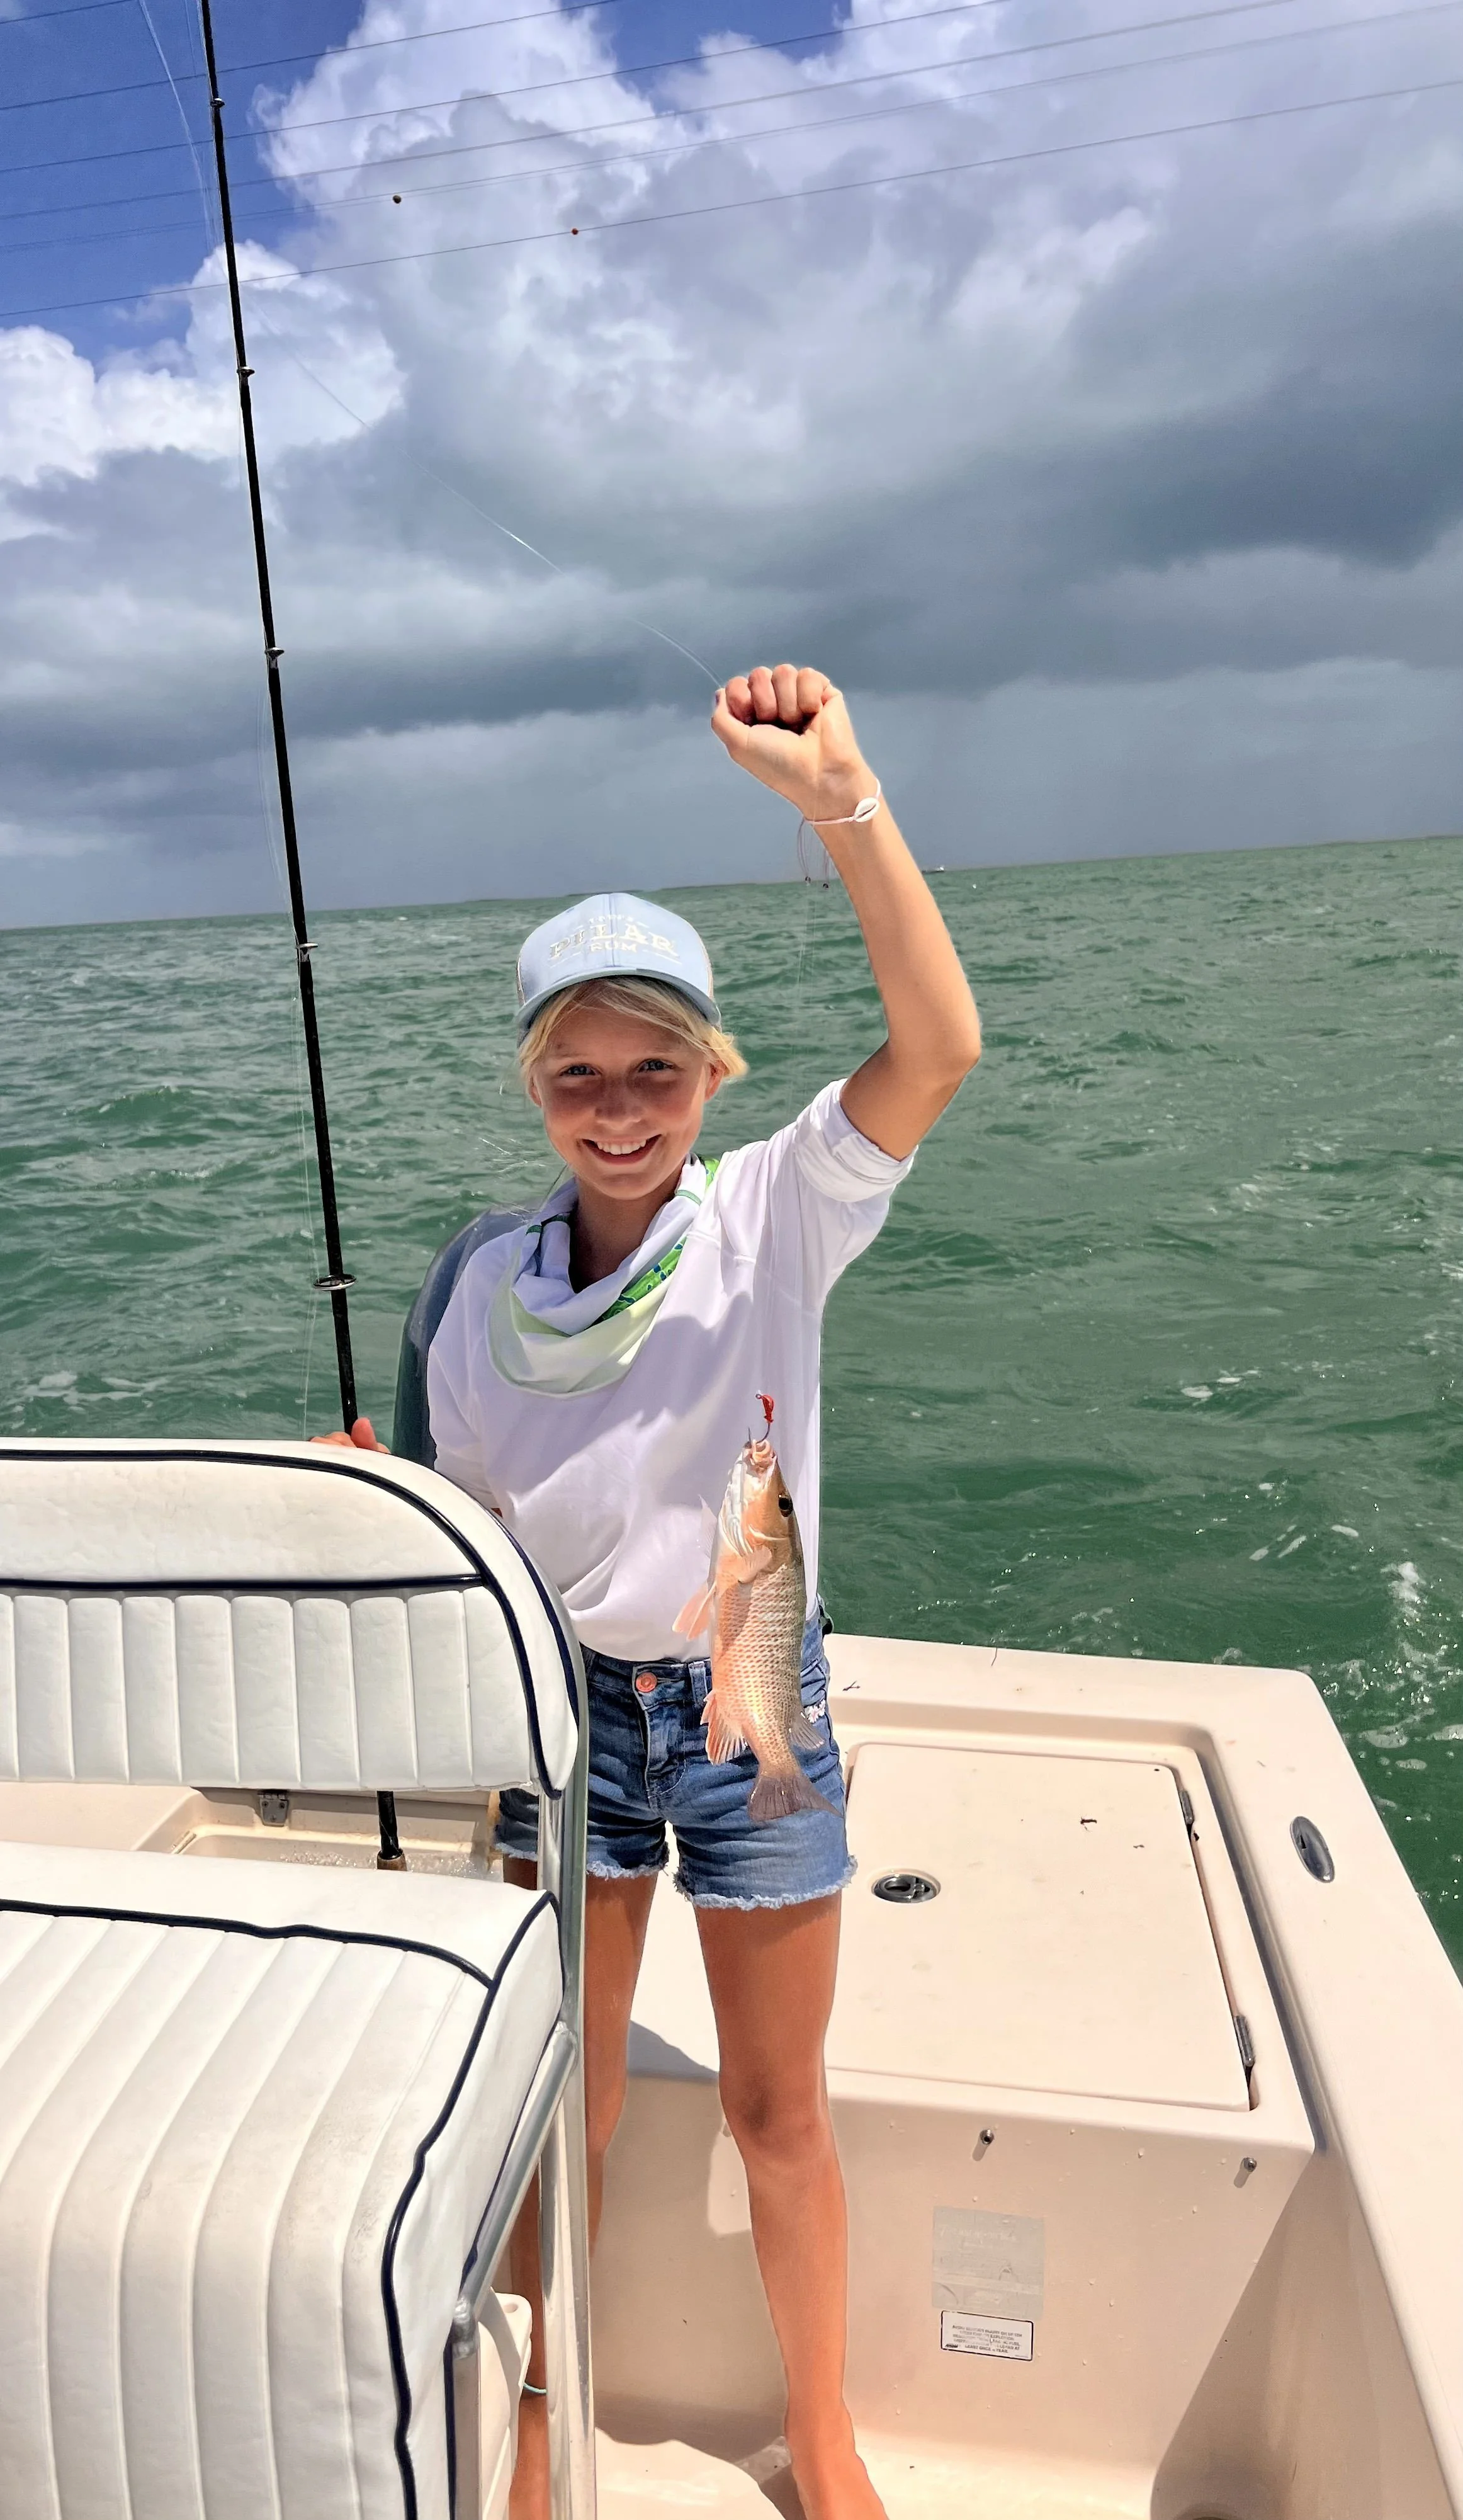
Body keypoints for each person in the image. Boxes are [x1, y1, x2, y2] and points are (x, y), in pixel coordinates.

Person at [318, 664, 981, 2519]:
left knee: (780, 2114)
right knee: (570, 2110)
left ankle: (823, 2436)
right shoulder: (475, 1280)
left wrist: (839, 794)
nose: (621, 1111)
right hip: (557, 1722)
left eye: (658, 1070)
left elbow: (934, 1049)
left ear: (711, 1079)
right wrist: (377, 1505)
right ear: (538, 1089)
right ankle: (546, 2417)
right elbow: (459, 1523)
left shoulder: (773, 1216)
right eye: (581, 1077)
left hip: (748, 1691)